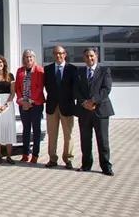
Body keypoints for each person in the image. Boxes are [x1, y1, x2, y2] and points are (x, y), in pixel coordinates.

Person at [73, 48, 114, 176]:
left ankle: (106, 166)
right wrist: (84, 102)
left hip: (100, 110)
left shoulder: (104, 71)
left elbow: (106, 89)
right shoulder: (79, 72)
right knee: (85, 140)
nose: (89, 58)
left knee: (103, 140)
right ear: (83, 58)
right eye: (86, 56)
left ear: (96, 56)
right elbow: (75, 90)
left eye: (91, 56)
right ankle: (86, 165)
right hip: (84, 111)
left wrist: (93, 102)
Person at [43, 46, 77, 169]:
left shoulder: (72, 69)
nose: (58, 56)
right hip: (52, 106)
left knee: (68, 134)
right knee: (52, 133)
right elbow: (47, 86)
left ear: (65, 54)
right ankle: (52, 158)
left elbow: (75, 87)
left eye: (60, 53)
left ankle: (68, 159)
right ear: (53, 55)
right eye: (56, 54)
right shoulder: (47, 69)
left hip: (67, 106)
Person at [15, 49, 45, 164]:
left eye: (30, 57)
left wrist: (30, 102)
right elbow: (17, 87)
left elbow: (39, 87)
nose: (28, 59)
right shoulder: (20, 71)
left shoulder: (39, 70)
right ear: (23, 59)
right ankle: (25, 153)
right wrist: (23, 101)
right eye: (26, 57)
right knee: (26, 129)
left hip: (36, 104)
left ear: (34, 58)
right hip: (23, 103)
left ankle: (35, 154)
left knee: (36, 129)